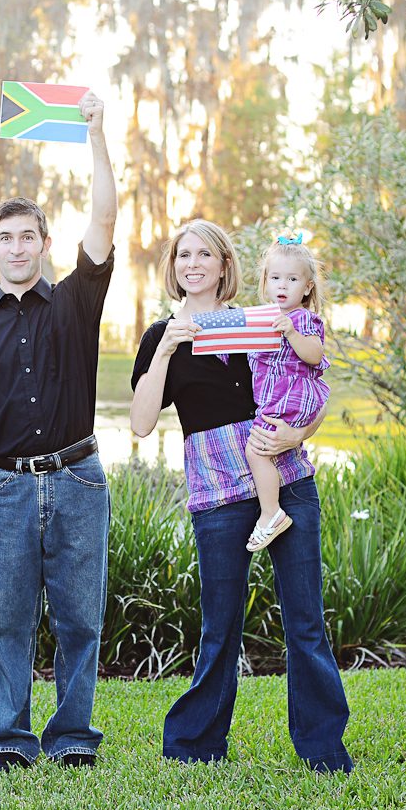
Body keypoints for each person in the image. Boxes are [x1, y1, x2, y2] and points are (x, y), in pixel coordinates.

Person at [129, 219, 352, 773]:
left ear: (225, 265)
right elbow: (138, 423)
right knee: (220, 624)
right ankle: (196, 746)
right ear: (174, 267)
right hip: (218, 493)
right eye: (184, 255)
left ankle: (323, 749)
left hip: (286, 479)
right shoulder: (163, 335)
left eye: (206, 254)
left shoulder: (261, 321)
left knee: (305, 621)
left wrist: (299, 434)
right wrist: (164, 354)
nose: (194, 264)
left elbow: (311, 387)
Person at [0, 90, 116, 772]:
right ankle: (10, 737)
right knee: (9, 620)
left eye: (29, 236)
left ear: (46, 244)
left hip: (78, 477)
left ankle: (73, 732)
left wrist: (96, 134)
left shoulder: (75, 301)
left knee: (80, 618)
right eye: (5, 237)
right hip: (8, 487)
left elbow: (103, 213)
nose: (17, 247)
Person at [244, 235, 330, 552]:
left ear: (307, 287)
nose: (283, 285)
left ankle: (271, 514)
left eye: (292, 279)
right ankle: (271, 510)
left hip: (290, 397)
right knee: (263, 450)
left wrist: (292, 332)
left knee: (256, 450)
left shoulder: (302, 318)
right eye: (276, 277)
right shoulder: (264, 317)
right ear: (266, 282)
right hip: (277, 398)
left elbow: (315, 354)